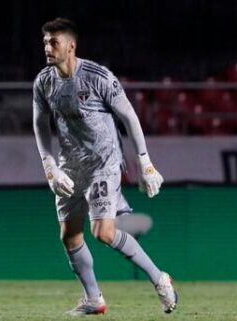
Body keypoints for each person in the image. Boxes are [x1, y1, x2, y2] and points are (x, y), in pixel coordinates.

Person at [32, 18, 178, 316]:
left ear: (70, 45)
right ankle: (94, 299)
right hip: (69, 166)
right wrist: (49, 166)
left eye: (54, 41)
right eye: (45, 41)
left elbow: (129, 116)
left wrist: (145, 162)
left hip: (104, 162)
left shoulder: (98, 76)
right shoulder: (43, 81)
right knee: (70, 236)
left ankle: (159, 279)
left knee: (103, 232)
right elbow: (39, 124)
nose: (48, 47)